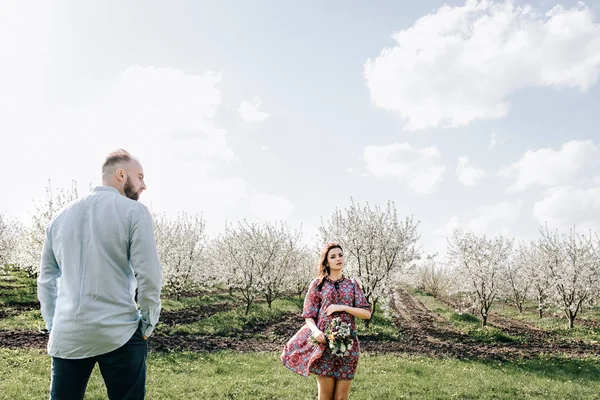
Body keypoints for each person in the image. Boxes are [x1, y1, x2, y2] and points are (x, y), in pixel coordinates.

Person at [37, 149, 163, 400]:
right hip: (119, 332)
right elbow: (149, 275)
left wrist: (54, 324)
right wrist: (148, 323)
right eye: (139, 177)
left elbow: (46, 280)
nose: (144, 185)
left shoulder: (59, 218)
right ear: (120, 174)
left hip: (67, 335)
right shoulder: (134, 212)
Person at [281, 242, 371, 400]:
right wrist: (315, 332)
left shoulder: (352, 285)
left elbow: (366, 313)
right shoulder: (318, 285)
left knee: (341, 398)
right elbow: (309, 315)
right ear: (326, 261)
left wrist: (341, 307)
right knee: (325, 397)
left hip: (348, 346)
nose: (338, 259)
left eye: (341, 255)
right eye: (333, 256)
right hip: (324, 344)